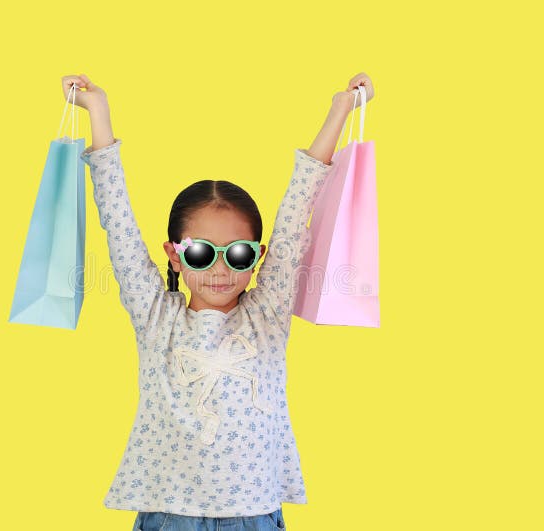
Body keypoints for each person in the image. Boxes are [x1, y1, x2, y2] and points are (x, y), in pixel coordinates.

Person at [62, 72, 374, 530]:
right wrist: (99, 113)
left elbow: (295, 209)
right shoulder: (156, 317)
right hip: (172, 515)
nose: (220, 270)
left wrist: (340, 111)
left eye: (239, 254)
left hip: (253, 516)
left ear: (259, 257)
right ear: (175, 254)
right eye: (201, 253)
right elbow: (118, 222)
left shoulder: (265, 315)